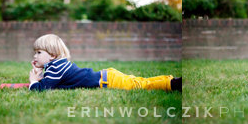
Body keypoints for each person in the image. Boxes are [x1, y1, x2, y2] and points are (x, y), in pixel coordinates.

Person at [28, 34, 182, 92]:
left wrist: (34, 82)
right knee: (139, 82)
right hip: (107, 75)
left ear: (53, 55)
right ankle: (171, 80)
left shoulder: (55, 68)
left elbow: (44, 88)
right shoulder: (57, 64)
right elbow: (53, 81)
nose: (35, 55)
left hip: (108, 80)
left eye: (39, 52)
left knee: (140, 85)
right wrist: (41, 69)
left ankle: (173, 84)